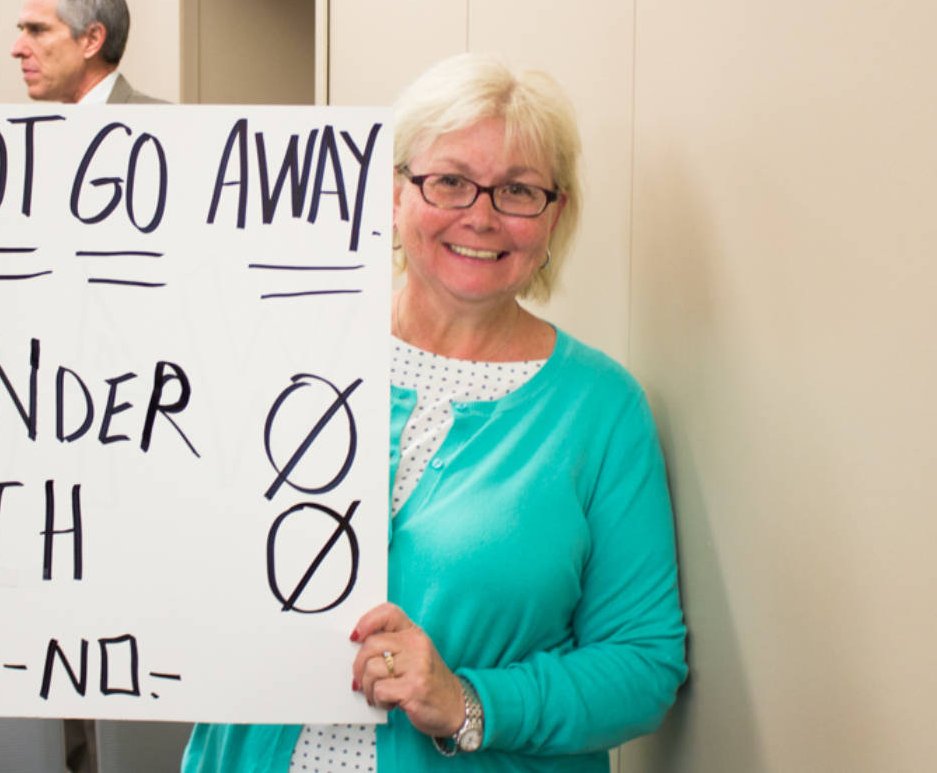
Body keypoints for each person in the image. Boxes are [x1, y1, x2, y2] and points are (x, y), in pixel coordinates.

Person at [184, 54, 687, 772]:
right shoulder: (281, 349)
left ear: (555, 216)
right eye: (448, 181)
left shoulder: (601, 411)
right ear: (394, 194)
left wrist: (469, 700)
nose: (480, 216)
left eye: (518, 190)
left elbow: (643, 667)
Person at [12, 0, 164, 104]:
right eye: (22, 30)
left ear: (92, 40)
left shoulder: (165, 126)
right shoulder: (41, 130)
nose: (17, 50)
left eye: (37, 30)